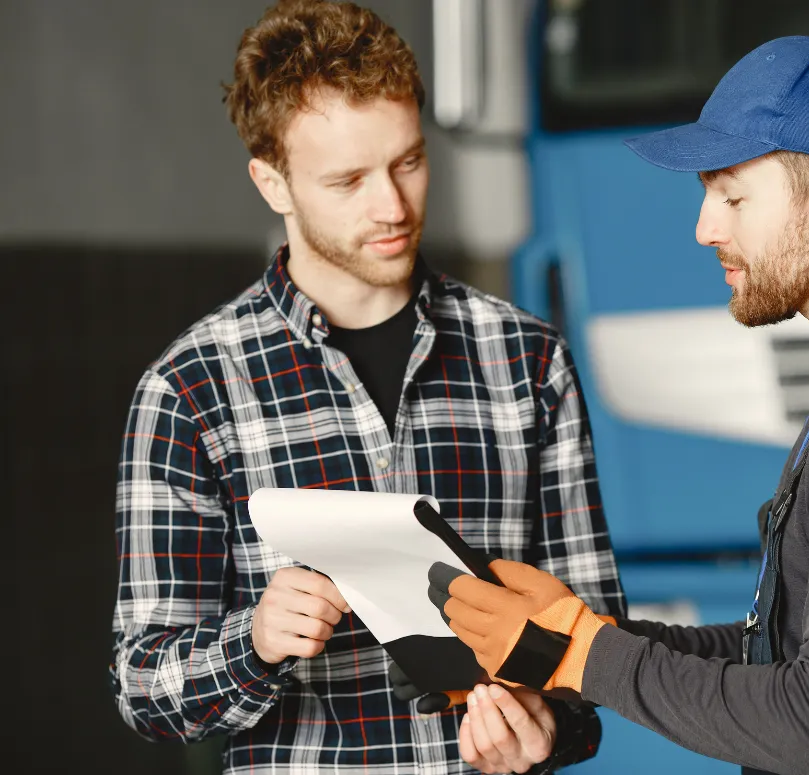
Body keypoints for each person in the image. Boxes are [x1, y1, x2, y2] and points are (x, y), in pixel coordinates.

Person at [430, 35, 809, 774]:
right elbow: (781, 653)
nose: (705, 227)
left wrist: (585, 655)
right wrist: (577, 635)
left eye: (733, 194)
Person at [108, 1, 625, 772]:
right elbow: (143, 685)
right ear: (272, 182)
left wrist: (550, 726)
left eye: (409, 162)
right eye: (348, 180)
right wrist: (251, 643)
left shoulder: (528, 359)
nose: (392, 206)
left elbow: (599, 644)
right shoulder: (188, 390)